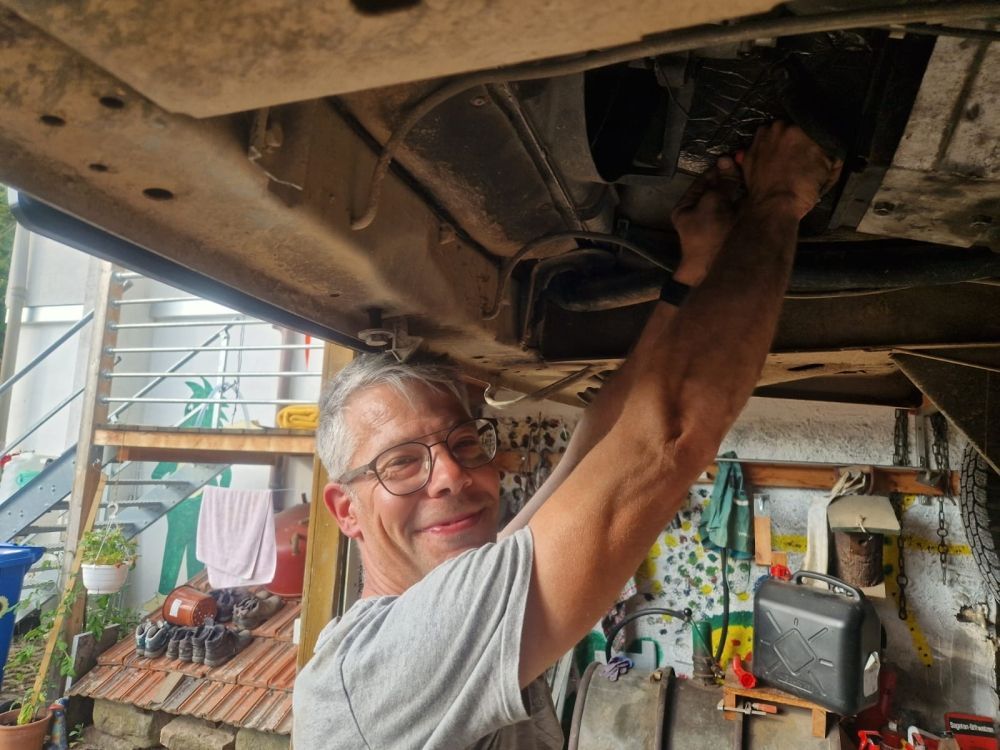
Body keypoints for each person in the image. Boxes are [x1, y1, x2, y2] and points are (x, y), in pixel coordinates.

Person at [292, 122, 840, 749]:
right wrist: (779, 200)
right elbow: (666, 438)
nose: (451, 475)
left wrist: (693, 271)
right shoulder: (377, 671)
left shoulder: (461, 596)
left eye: (464, 443)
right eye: (401, 463)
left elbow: (595, 444)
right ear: (345, 509)